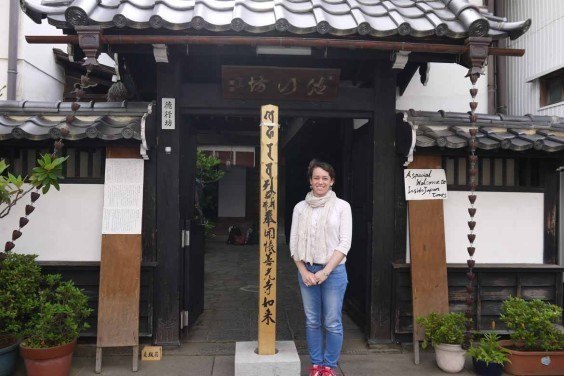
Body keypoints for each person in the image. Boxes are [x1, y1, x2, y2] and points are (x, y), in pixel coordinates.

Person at [289, 159, 352, 376]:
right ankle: (316, 365)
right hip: (307, 271)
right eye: (316, 177)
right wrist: (304, 271)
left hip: (333, 272)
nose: (320, 181)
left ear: (332, 181)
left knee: (332, 321)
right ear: (310, 181)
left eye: (325, 178)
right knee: (313, 321)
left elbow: (344, 243)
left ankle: (329, 367)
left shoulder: (342, 207)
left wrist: (325, 272)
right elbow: (293, 243)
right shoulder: (300, 208)